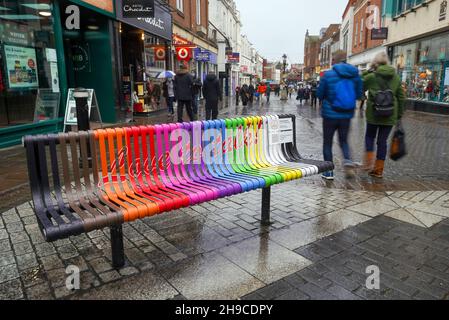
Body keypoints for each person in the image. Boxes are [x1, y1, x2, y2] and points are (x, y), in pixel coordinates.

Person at [317, 59, 363, 180]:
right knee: (344, 141)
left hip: (329, 114)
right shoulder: (355, 75)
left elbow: (320, 94)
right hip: (346, 115)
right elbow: (359, 95)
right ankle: (347, 162)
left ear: (335, 62)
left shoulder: (328, 75)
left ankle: (328, 172)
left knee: (327, 142)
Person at [362, 52, 405, 179]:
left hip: (373, 114)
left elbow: (359, 85)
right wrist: (399, 114)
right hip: (390, 114)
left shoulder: (371, 76)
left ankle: (368, 162)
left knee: (369, 137)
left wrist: (367, 71)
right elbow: (401, 97)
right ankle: (378, 170)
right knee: (382, 142)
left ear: (375, 63)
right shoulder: (396, 77)